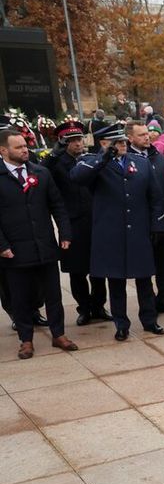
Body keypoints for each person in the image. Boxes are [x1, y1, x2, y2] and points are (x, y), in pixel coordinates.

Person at [70, 123, 164, 341]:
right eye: (117, 142)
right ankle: (121, 324)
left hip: (139, 232)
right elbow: (77, 178)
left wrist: (156, 225)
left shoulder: (140, 163)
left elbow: (156, 197)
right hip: (111, 234)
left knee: (144, 280)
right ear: (104, 143)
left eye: (123, 141)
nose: (122, 145)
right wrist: (103, 157)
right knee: (116, 282)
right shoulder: (92, 162)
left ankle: (149, 321)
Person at [0, 129, 76, 358]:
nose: (25, 150)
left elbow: (58, 206)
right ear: (3, 150)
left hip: (45, 246)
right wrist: (2, 246)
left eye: (25, 146)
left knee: (53, 295)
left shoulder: (41, 173)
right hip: (14, 251)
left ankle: (58, 334)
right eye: (19, 147)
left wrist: (65, 233)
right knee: (20, 298)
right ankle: (26, 340)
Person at [44, 120, 109, 325]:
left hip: (94, 220)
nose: (77, 143)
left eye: (79, 139)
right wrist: (54, 154)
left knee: (98, 268)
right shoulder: (57, 163)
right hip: (71, 223)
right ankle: (85, 308)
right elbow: (41, 171)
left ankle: (99, 306)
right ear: (64, 142)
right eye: (72, 140)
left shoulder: (92, 159)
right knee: (77, 270)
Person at [126, 121, 164, 316]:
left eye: (147, 134)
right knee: (145, 267)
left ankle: (163, 301)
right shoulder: (126, 159)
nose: (147, 137)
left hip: (163, 220)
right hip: (141, 223)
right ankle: (148, 306)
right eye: (141, 135)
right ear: (130, 138)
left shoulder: (158, 158)